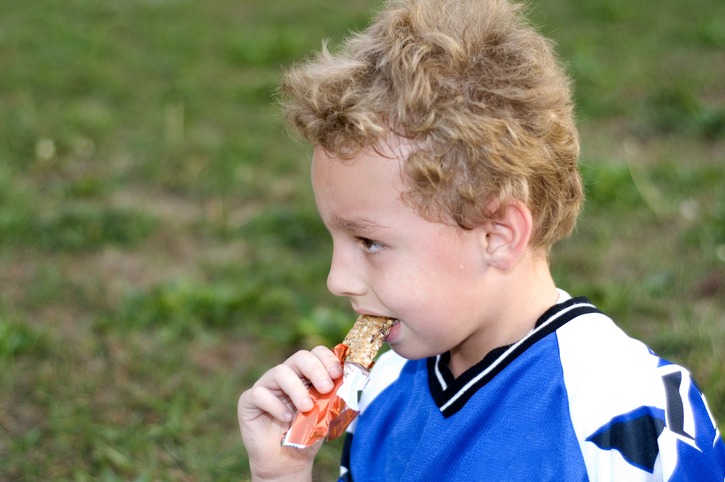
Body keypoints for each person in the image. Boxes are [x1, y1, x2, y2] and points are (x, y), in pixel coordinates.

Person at [237, 0, 725, 480]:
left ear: (497, 236)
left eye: (369, 242)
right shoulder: (380, 393)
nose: (336, 280)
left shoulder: (621, 418)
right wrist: (282, 474)